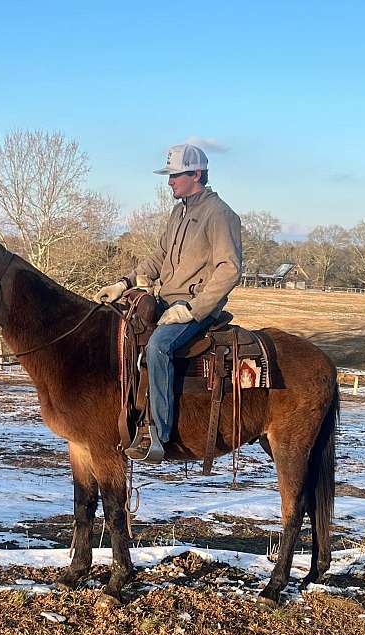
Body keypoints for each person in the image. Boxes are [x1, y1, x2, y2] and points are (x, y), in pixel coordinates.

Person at [94, 143, 242, 463]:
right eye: (170, 175)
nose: (170, 181)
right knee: (124, 332)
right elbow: (159, 257)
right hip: (167, 300)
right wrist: (123, 283)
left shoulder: (220, 214)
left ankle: (159, 435)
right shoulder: (179, 211)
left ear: (197, 174)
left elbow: (229, 269)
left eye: (176, 175)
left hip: (196, 307)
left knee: (158, 346)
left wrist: (192, 309)